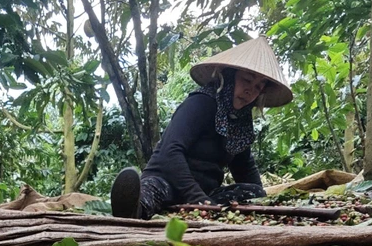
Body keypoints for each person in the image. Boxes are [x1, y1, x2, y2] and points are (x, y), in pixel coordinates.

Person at [110, 37, 293, 219]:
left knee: (253, 192)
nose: (250, 91)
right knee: (152, 193)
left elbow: (244, 167)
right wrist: (197, 199)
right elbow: (170, 151)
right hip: (166, 181)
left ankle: (198, 206)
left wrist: (263, 204)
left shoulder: (240, 121)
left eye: (258, 87)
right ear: (228, 77)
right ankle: (132, 209)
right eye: (246, 80)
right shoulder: (201, 102)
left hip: (206, 193)